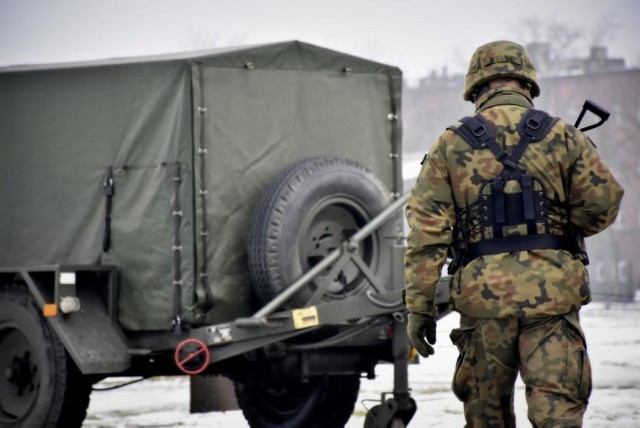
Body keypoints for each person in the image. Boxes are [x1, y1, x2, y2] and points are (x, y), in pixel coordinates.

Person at [404, 40, 624, 427]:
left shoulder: (450, 145)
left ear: (476, 88)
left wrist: (419, 308)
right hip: (552, 300)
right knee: (557, 416)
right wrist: (562, 225)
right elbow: (603, 204)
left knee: (487, 416)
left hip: (482, 304)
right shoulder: (563, 136)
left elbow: (426, 235)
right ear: (527, 84)